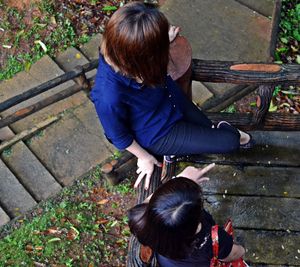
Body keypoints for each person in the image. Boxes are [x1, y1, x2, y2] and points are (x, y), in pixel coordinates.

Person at [91, 2, 253, 189]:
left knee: (208, 127)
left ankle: (210, 133)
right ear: (139, 57)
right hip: (159, 132)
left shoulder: (124, 48)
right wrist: (144, 158)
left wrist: (159, 39)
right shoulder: (107, 96)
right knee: (231, 142)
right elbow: (117, 134)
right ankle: (181, 148)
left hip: (170, 97)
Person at [128, 164, 246, 267]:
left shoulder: (141, 220)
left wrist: (180, 179)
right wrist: (242, 249)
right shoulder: (212, 239)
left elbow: (150, 203)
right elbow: (235, 253)